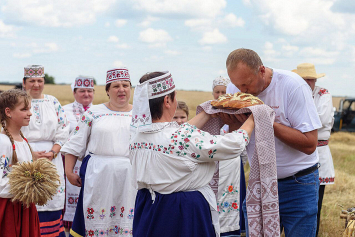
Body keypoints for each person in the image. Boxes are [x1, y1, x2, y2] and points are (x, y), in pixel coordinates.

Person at [129, 71, 255, 237]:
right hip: (183, 212)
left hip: (148, 208)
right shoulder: (182, 138)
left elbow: (177, 133)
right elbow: (233, 144)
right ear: (167, 101)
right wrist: (254, 117)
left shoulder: (137, 136)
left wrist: (208, 111)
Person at [225, 49, 322, 237]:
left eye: (246, 84)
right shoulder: (234, 89)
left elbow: (310, 144)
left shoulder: (293, 86)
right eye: (237, 85)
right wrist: (230, 122)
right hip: (259, 184)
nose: (242, 91)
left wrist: (266, 120)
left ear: (261, 71)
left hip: (298, 184)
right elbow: (238, 134)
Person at [61, 68, 136, 237]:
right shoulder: (94, 113)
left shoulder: (140, 115)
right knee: (97, 221)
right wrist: (68, 172)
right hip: (99, 176)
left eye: (125, 85)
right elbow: (75, 144)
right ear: (108, 90)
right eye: (116, 86)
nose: (121, 89)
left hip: (131, 178)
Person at [21, 65, 69, 237]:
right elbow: (12, 129)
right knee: (27, 199)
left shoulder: (53, 101)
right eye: (32, 81)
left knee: (50, 199)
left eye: (39, 81)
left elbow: (64, 128)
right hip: (24, 158)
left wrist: (53, 152)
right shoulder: (19, 101)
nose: (36, 84)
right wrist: (29, 153)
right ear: (24, 82)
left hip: (52, 158)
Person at [292, 63, 335, 236]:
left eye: (311, 79)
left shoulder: (323, 94)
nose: (309, 82)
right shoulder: (294, 94)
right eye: (305, 79)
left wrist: (295, 122)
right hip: (296, 153)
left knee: (314, 204)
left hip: (319, 152)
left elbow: (321, 119)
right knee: (297, 202)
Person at [0, 89, 41, 237]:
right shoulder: (3, 142)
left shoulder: (22, 140)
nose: (29, 113)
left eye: (29, 108)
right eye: (24, 109)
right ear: (8, 112)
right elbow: (0, 182)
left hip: (25, 206)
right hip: (9, 209)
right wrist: (29, 187)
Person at [211, 76, 247, 237]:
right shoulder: (210, 113)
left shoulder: (235, 114)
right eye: (217, 92)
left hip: (233, 166)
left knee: (232, 201)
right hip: (215, 166)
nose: (220, 95)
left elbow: (243, 145)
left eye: (224, 92)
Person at [62, 76, 95, 232]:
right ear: (74, 92)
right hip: (68, 161)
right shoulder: (64, 111)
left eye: (89, 91)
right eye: (82, 91)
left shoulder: (99, 111)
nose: (86, 94)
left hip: (91, 163)